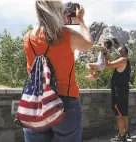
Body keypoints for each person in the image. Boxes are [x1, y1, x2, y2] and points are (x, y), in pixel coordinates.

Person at [23, 1, 93, 142]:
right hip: (65, 102)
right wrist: (80, 21)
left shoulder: (28, 38)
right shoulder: (67, 35)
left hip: (35, 104)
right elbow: (88, 43)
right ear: (59, 11)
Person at [104, 45, 131, 142]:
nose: (117, 53)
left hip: (118, 94)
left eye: (119, 51)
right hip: (123, 92)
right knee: (124, 113)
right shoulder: (127, 61)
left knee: (118, 115)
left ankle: (121, 136)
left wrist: (105, 53)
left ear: (123, 51)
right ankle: (126, 131)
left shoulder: (123, 60)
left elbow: (108, 65)